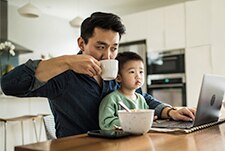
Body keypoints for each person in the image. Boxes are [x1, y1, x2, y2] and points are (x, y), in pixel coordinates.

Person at [1, 11, 195, 138]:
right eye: (100, 47)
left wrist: (169, 111)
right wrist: (66, 61)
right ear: (81, 43)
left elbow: (140, 97)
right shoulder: (62, 75)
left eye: (114, 48)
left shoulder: (116, 73)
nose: (107, 55)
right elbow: (8, 85)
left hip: (118, 149)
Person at [99, 51, 149, 130]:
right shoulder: (111, 99)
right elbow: (106, 123)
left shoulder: (141, 99)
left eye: (141, 72)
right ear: (119, 78)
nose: (138, 76)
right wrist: (130, 121)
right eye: (132, 72)